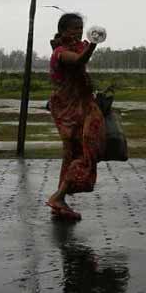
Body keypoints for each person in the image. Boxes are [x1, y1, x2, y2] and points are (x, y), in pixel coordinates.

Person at [45, 13, 105, 220]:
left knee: (74, 154)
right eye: (74, 29)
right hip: (71, 112)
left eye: (81, 28)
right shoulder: (61, 53)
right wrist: (94, 44)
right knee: (85, 153)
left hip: (79, 108)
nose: (79, 32)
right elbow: (79, 60)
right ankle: (58, 197)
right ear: (63, 31)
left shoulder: (75, 48)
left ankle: (60, 201)